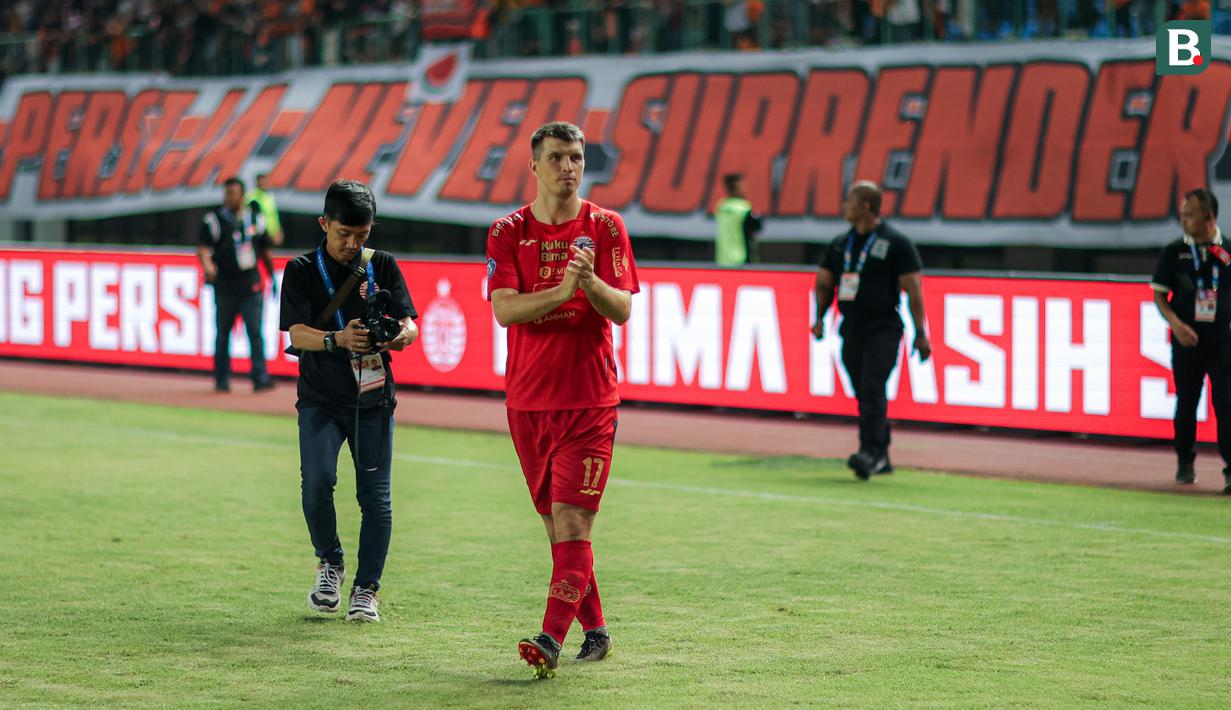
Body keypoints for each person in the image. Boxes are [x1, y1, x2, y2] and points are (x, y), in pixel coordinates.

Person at [486, 121, 640, 678]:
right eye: (555, 157)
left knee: (574, 526)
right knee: (557, 529)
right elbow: (505, 310)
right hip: (527, 402)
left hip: (590, 401)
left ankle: (550, 641)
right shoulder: (507, 232)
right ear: (534, 165)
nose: (568, 167)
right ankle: (595, 632)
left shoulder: (606, 226)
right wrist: (560, 292)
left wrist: (591, 283)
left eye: (575, 157)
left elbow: (621, 309)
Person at [279, 180, 420, 622]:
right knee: (317, 484)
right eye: (344, 234)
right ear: (324, 224)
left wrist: (397, 336)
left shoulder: (384, 265)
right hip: (320, 397)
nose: (352, 244)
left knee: (376, 498)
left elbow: (411, 326)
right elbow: (296, 334)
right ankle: (331, 561)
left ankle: (367, 589)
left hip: (374, 399)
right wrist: (337, 338)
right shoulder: (301, 269)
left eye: (362, 235)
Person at [811, 180, 931, 480]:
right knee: (862, 391)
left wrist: (920, 332)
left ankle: (869, 453)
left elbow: (913, 288)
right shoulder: (840, 244)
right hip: (851, 328)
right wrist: (820, 317)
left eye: (849, 201)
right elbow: (824, 281)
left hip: (884, 328)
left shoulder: (895, 242)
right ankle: (883, 452)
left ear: (866, 206)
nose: (844, 207)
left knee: (872, 387)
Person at [1150, 187, 1231, 494]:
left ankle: (1230, 469)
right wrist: (1177, 325)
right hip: (1187, 341)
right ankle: (1185, 461)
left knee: (1226, 403)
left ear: (1208, 217)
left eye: (1189, 215)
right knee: (1187, 402)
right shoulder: (1174, 252)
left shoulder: (1228, 252)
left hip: (1223, 340)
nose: (1182, 220)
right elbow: (1159, 296)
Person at [197, 176, 277, 393]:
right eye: (227, 193)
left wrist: (272, 276)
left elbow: (265, 249)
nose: (231, 197)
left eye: (235, 193)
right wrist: (208, 266)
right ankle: (222, 379)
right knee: (223, 334)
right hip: (224, 287)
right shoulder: (213, 220)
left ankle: (260, 378)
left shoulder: (255, 218)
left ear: (242, 195)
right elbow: (203, 248)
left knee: (255, 332)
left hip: (250, 286)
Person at [713, 173, 763, 266]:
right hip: (741, 259)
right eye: (742, 186)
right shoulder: (744, 209)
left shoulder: (720, 207)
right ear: (737, 188)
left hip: (722, 259)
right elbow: (758, 227)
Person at [246, 173, 284, 246]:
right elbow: (248, 218)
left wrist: (279, 232)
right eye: (262, 182)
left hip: (273, 237)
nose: (265, 184)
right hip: (260, 237)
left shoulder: (270, 197)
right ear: (257, 183)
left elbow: (274, 217)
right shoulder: (251, 197)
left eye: (266, 182)